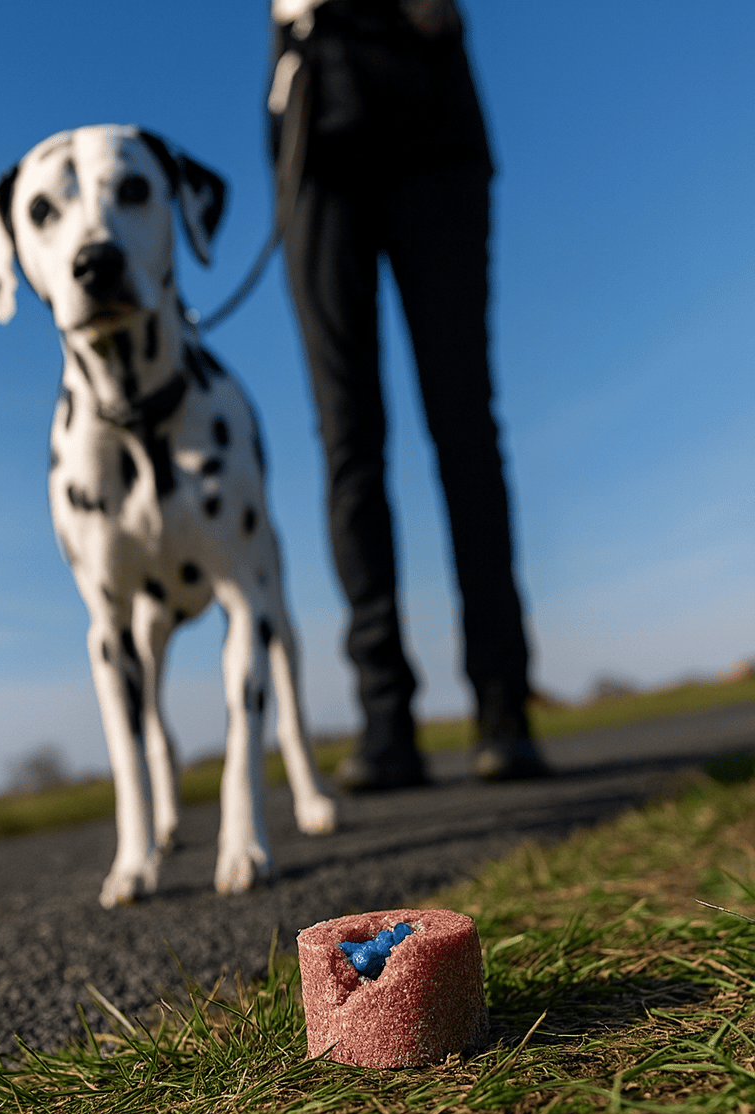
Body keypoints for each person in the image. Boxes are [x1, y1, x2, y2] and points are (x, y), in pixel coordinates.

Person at [267, 0, 550, 787]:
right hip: (316, 120)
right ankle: (385, 717)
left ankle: (504, 707)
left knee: (464, 423)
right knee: (347, 437)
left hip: (431, 106)